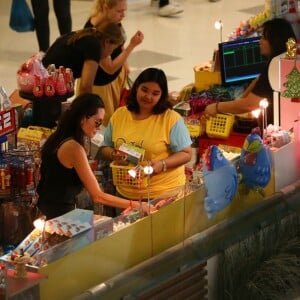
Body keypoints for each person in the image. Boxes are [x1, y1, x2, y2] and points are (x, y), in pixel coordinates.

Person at [36, 93, 152, 219]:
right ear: (83, 118)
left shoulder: (58, 138)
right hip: (60, 218)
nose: (99, 128)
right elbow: (98, 196)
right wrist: (137, 205)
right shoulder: (74, 148)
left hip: (47, 211)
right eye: (97, 122)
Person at [100, 68, 192, 201]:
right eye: (144, 90)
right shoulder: (119, 115)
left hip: (163, 194)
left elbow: (186, 153)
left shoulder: (171, 119)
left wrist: (162, 164)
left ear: (162, 95)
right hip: (126, 195)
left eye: (155, 93)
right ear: (136, 87)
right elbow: (105, 147)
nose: (148, 97)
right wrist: (114, 154)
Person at [204, 18, 297, 125]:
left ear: (274, 41)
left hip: (275, 130)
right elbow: (247, 98)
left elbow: (249, 104)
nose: (260, 41)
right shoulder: (287, 61)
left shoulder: (275, 68)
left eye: (263, 38)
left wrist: (216, 107)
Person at [79, 0, 144, 126]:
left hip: (115, 80)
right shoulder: (95, 31)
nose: (123, 15)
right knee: (103, 123)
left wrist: (125, 66)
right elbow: (109, 68)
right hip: (101, 85)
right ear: (105, 8)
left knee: (117, 118)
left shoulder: (114, 21)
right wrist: (132, 45)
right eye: (119, 11)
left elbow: (119, 45)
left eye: (124, 10)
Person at [42, 22, 126, 95]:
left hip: (42, 75)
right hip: (47, 83)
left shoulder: (88, 34)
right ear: (106, 42)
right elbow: (86, 87)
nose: (110, 54)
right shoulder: (94, 46)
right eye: (113, 49)